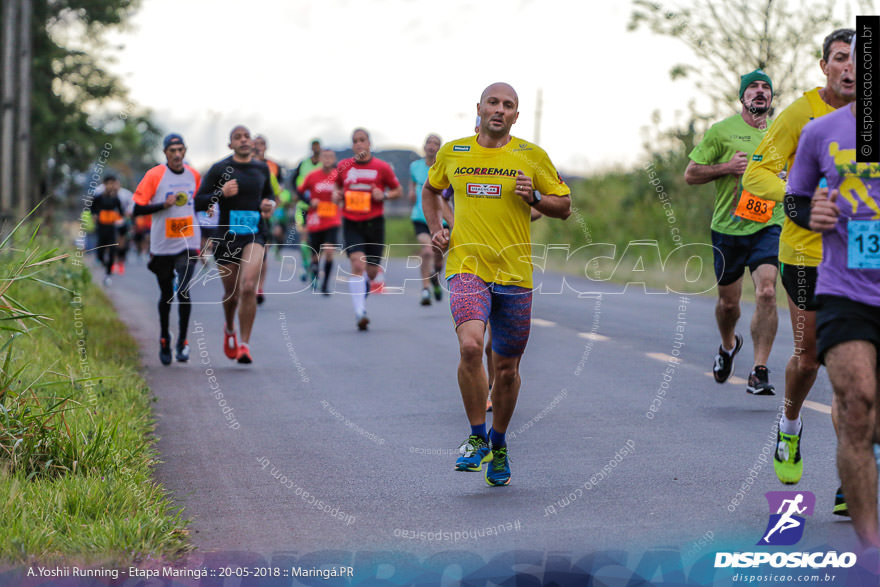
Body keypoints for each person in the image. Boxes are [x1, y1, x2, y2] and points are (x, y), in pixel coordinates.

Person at [422, 82, 571, 486]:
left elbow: (564, 206)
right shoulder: (454, 151)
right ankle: (476, 437)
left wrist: (535, 198)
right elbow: (431, 190)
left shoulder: (531, 156)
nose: (499, 110)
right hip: (467, 266)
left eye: (508, 105)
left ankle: (499, 443)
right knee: (471, 345)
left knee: (506, 369)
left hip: (515, 274)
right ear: (479, 107)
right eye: (493, 102)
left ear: (516, 116)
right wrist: (439, 229)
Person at [743, 29, 855, 510]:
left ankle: (850, 479)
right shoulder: (801, 114)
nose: (851, 67)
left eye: (860, 60)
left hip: (862, 255)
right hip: (807, 253)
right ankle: (789, 425)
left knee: (855, 371)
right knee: (809, 359)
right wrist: (794, 192)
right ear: (824, 65)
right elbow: (755, 172)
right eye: (841, 58)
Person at [786, 87, 880, 547]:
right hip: (847, 289)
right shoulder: (821, 131)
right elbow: (795, 198)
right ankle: (871, 550)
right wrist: (813, 213)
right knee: (858, 400)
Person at [685, 69, 781, 395]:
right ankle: (728, 346)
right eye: (752, 87)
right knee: (729, 304)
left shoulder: (782, 134)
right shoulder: (722, 131)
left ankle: (759, 370)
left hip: (770, 223)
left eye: (765, 88)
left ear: (770, 98)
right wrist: (727, 167)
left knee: (767, 292)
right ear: (742, 97)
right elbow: (691, 174)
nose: (759, 92)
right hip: (728, 228)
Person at [194, 125, 276, 364]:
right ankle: (229, 327)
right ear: (230, 144)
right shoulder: (220, 169)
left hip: (255, 234)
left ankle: (244, 345)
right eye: (237, 137)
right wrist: (220, 193)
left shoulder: (262, 168)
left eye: (246, 136)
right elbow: (198, 202)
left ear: (251, 142)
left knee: (249, 286)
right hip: (227, 237)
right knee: (232, 294)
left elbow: (268, 197)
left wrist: (268, 206)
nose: (243, 140)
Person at [131, 133, 202, 365]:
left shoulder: (194, 175)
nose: (178, 155)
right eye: (173, 151)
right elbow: (137, 210)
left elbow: (200, 202)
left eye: (181, 150)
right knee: (166, 295)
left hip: (188, 243)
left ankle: (182, 341)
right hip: (162, 245)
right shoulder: (155, 175)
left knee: (183, 291)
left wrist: (209, 209)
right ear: (165, 153)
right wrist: (164, 204)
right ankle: (164, 338)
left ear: (185, 151)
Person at [333, 128, 402, 330]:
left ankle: (361, 302)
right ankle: (360, 312)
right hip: (352, 221)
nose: (358, 144)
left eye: (362, 140)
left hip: (375, 223)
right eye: (355, 141)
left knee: (371, 273)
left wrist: (385, 195)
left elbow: (398, 190)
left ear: (369, 143)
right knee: (357, 263)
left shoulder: (382, 167)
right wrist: (337, 195)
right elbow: (337, 187)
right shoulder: (343, 166)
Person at [409, 134, 445, 305]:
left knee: (438, 257)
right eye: (429, 143)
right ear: (424, 146)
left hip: (441, 220)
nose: (431, 146)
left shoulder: (443, 167)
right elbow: (411, 187)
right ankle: (425, 289)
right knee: (427, 251)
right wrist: (411, 194)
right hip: (420, 216)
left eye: (435, 143)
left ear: (439, 148)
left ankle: (435, 279)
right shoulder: (414, 166)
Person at [301, 149, 342, 295]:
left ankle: (325, 285)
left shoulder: (338, 176)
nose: (327, 159)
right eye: (325, 156)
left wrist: (340, 196)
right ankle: (315, 271)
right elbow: (300, 192)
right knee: (315, 255)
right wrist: (310, 200)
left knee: (329, 252)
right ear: (320, 159)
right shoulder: (312, 176)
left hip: (332, 219)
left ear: (334, 158)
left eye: (330, 156)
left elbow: (346, 191)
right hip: (315, 220)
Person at [253, 134, 285, 304]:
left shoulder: (272, 167)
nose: (258, 147)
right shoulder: (242, 166)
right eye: (255, 144)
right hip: (245, 217)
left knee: (263, 253)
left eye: (261, 144)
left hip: (265, 216)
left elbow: (278, 194)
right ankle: (247, 283)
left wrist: (273, 210)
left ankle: (259, 287)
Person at [292, 139, 323, 281]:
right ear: (311, 148)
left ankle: (314, 267)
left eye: (318, 146)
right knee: (304, 237)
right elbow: (293, 181)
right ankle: (306, 265)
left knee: (317, 241)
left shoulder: (325, 164)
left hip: (320, 208)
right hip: (304, 207)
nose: (316, 149)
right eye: (314, 146)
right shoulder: (303, 164)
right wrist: (299, 196)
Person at [92, 175, 125, 286]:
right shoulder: (98, 197)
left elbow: (121, 212)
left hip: (112, 228)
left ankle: (108, 275)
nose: (110, 186)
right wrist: (94, 215)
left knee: (112, 251)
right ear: (104, 184)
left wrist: (120, 220)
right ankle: (102, 262)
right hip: (101, 227)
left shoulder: (116, 199)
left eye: (112, 183)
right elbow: (92, 209)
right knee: (100, 252)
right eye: (108, 183)